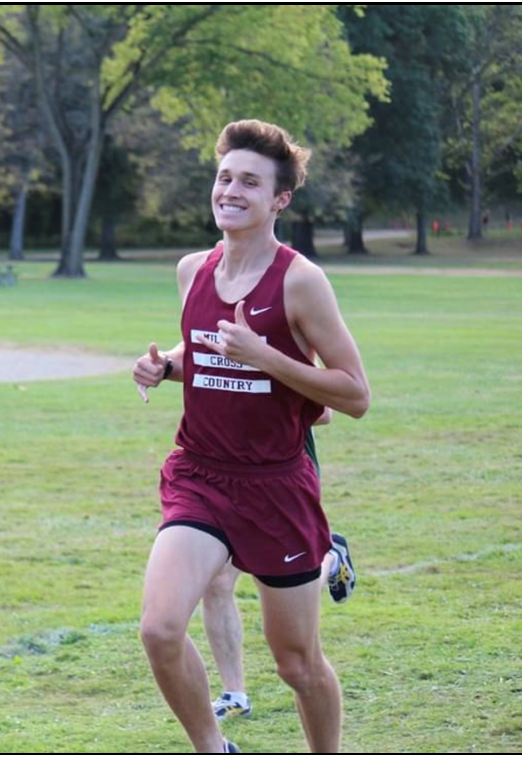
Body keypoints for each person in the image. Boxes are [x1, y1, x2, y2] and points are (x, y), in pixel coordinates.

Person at [134, 120, 370, 753]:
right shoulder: (192, 270)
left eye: (249, 182)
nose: (230, 191)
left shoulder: (300, 281)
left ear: (279, 200)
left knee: (297, 665)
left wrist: (268, 358)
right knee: (159, 630)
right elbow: (209, 352)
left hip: (277, 487)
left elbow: (354, 394)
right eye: (224, 177)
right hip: (200, 475)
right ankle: (216, 748)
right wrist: (167, 366)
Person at [204, 418, 358, 724]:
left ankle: (329, 558)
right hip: (223, 474)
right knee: (216, 582)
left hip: (281, 480)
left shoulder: (283, 364)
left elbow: (323, 411)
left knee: (283, 595)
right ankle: (234, 695)